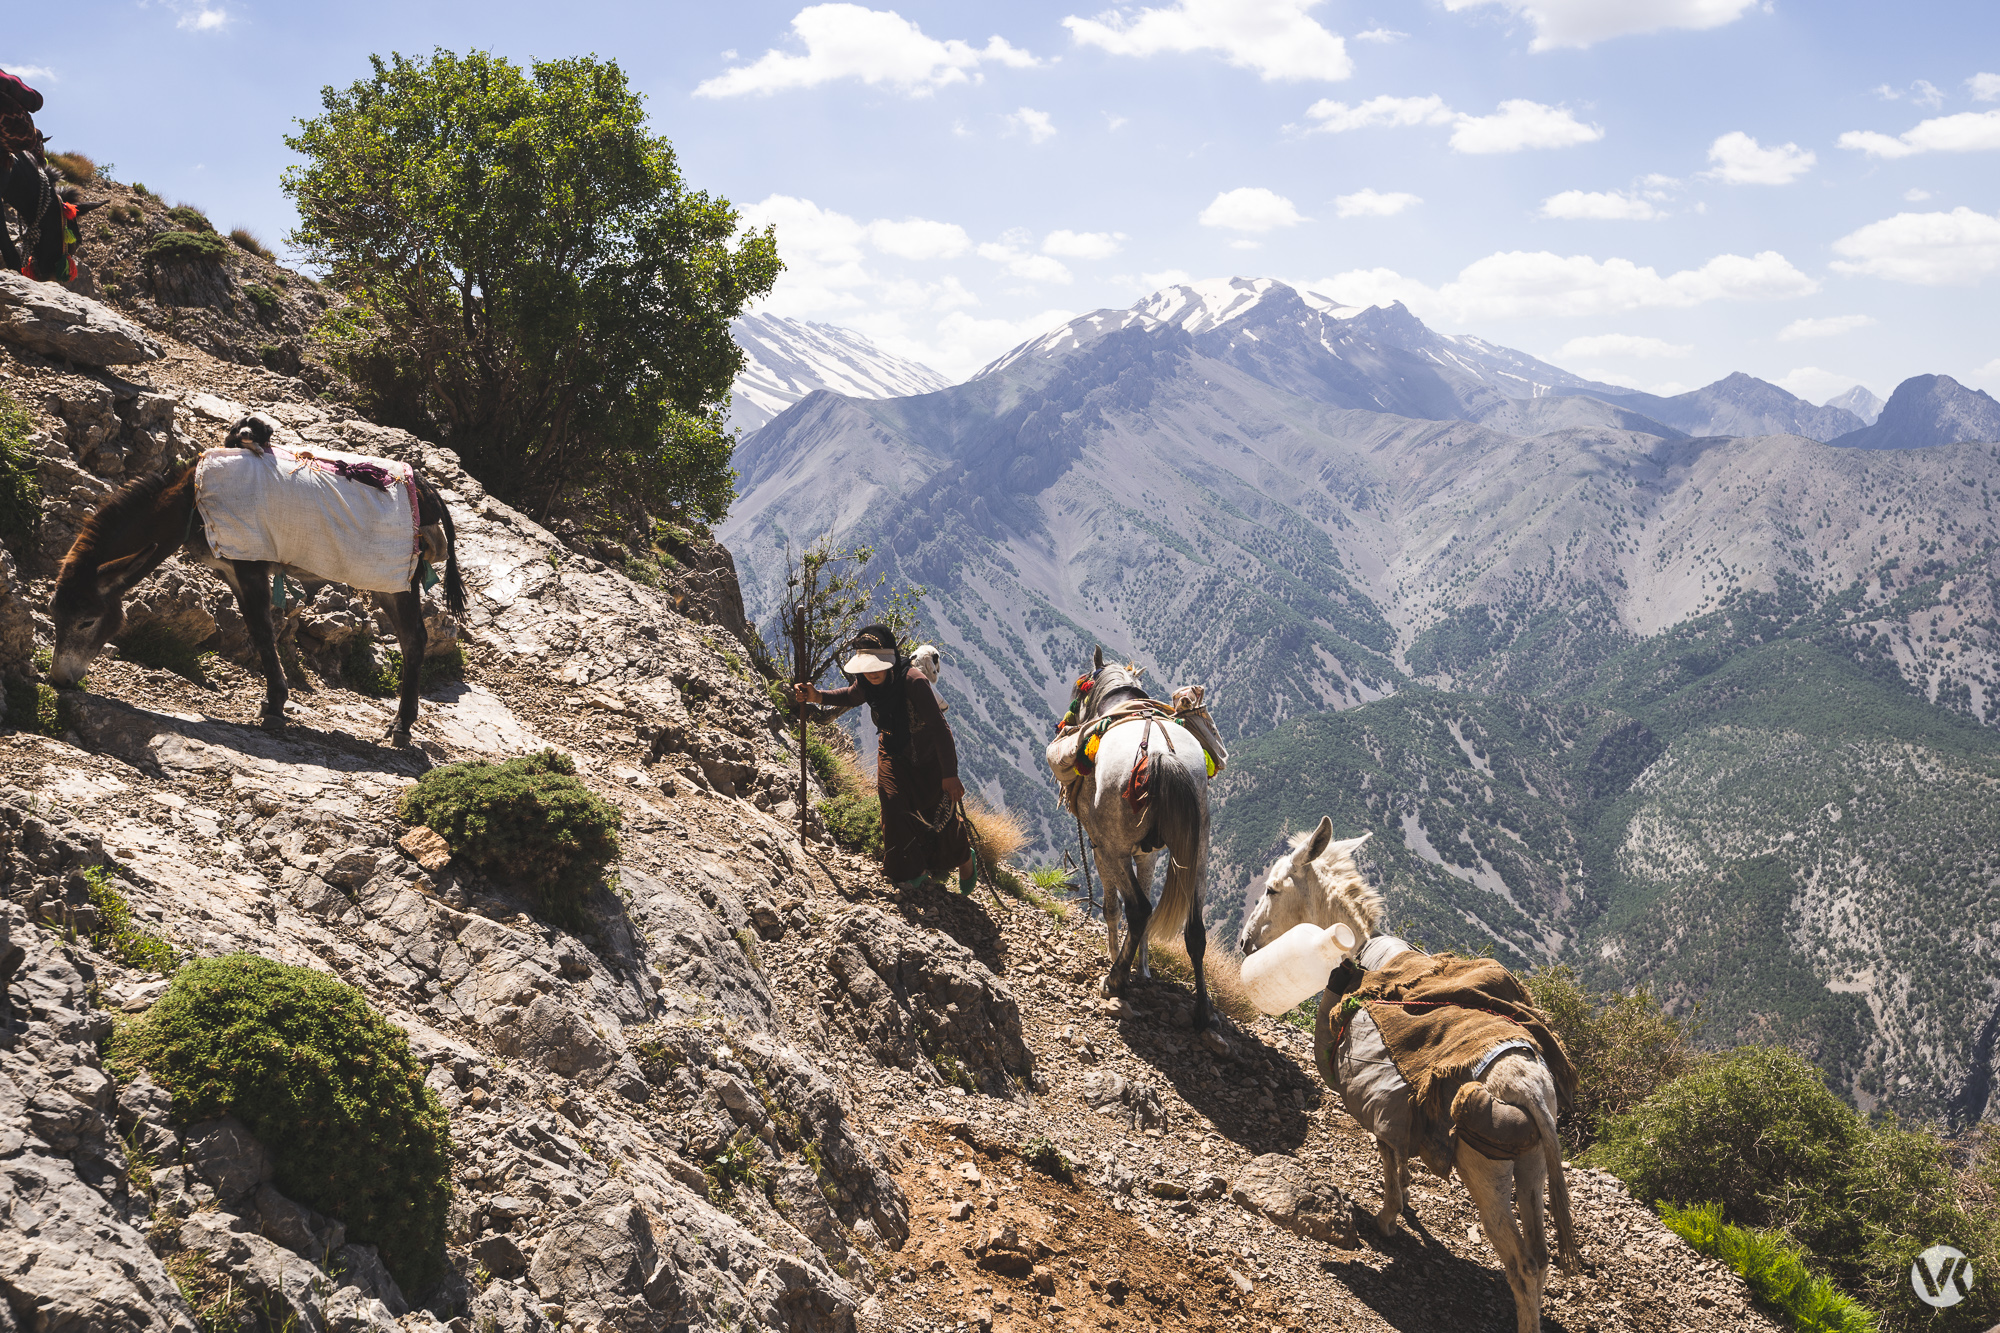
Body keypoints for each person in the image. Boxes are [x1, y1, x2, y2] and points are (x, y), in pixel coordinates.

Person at [796, 624, 974, 892]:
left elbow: (940, 728)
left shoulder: (913, 681)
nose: (872, 673)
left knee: (937, 812)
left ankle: (963, 858)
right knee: (893, 804)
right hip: (892, 750)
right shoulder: (867, 681)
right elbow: (852, 695)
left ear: (890, 661)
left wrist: (950, 774)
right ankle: (909, 870)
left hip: (927, 757)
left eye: (877, 666)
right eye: (867, 667)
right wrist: (817, 696)